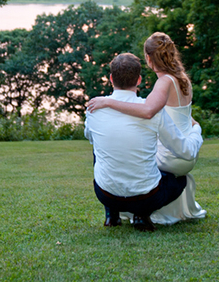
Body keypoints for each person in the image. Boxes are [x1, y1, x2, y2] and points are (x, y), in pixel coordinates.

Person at [86, 32, 207, 224]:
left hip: (174, 153)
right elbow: (182, 115)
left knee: (119, 148)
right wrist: (195, 127)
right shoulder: (182, 78)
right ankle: (141, 213)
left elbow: (148, 110)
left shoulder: (164, 82)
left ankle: (116, 213)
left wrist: (109, 102)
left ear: (149, 59)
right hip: (181, 148)